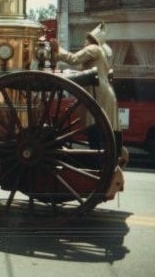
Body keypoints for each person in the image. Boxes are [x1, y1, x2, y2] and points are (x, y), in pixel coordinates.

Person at [50, 22, 127, 198]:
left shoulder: (94, 49)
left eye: (87, 38)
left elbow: (73, 58)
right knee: (104, 130)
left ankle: (101, 171)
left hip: (99, 94)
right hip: (104, 93)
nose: (85, 41)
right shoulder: (101, 53)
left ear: (92, 40)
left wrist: (57, 48)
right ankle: (103, 168)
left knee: (96, 130)